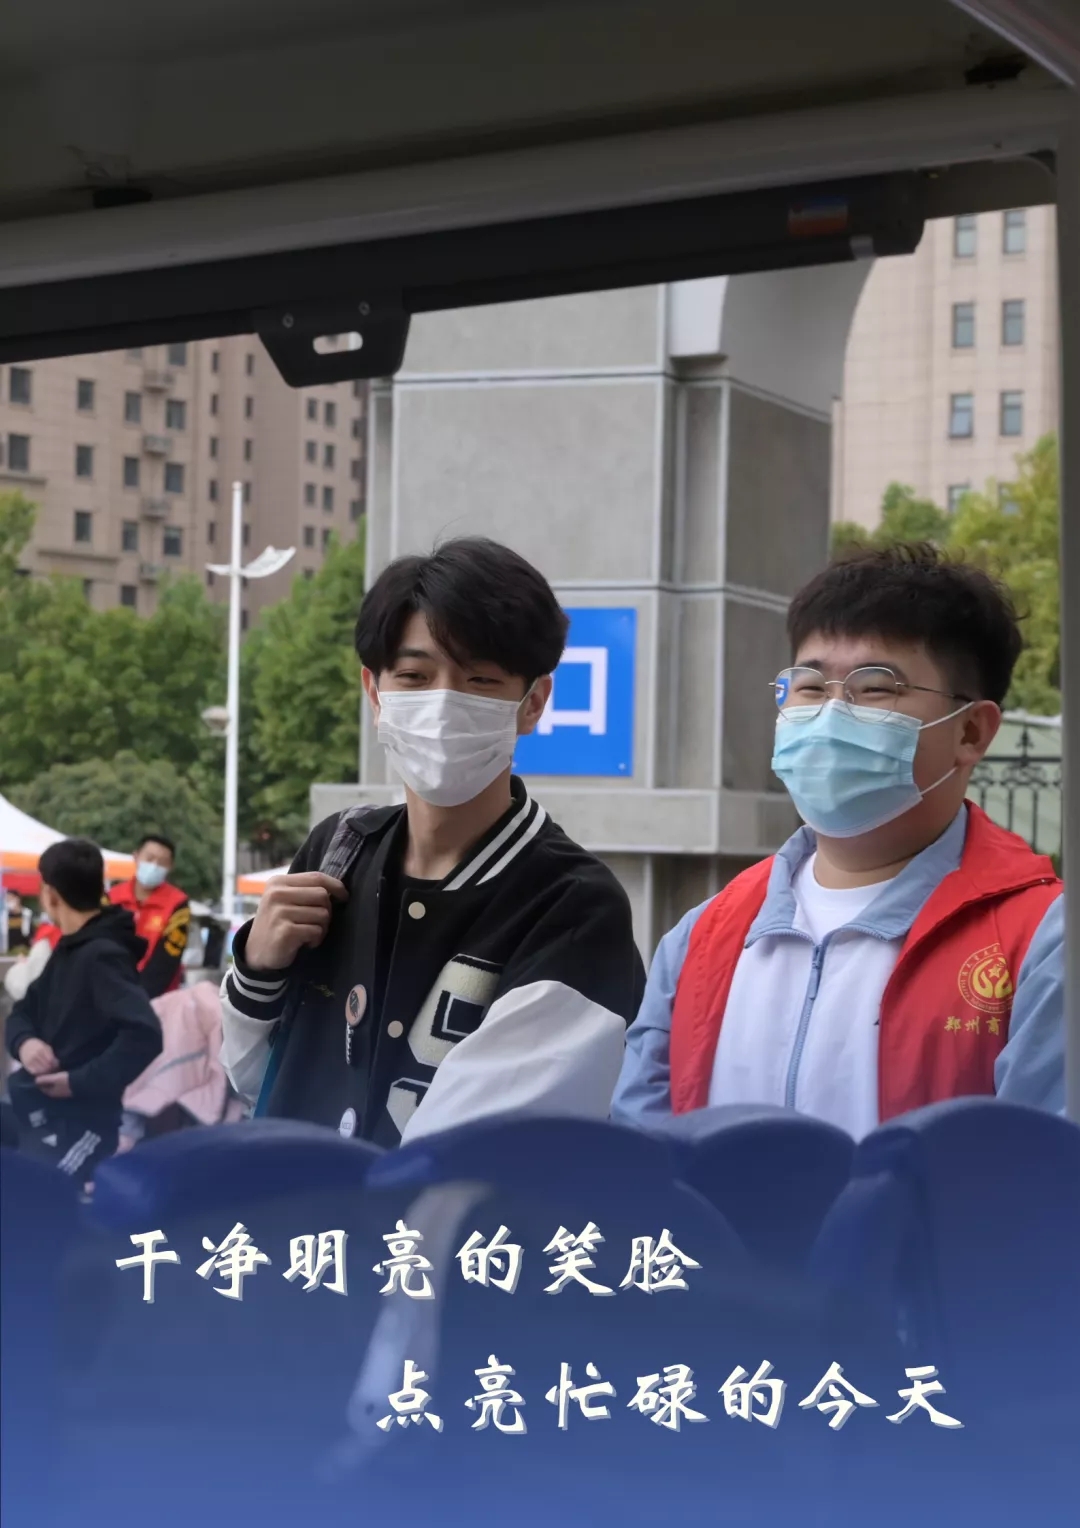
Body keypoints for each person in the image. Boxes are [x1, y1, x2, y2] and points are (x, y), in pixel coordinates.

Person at [612, 544, 1063, 1139]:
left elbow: (1043, 1174)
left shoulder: (1042, 942)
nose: (830, 714)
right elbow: (640, 1155)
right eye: (808, 686)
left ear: (971, 731)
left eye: (875, 688)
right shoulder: (705, 934)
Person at [220, 536, 645, 1145]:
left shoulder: (573, 907)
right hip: (290, 1203)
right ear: (375, 693)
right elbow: (255, 1079)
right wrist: (258, 968)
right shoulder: (337, 852)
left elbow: (483, 1148)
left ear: (533, 702)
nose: (443, 702)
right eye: (415, 676)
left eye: (480, 679)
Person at [5, 838, 163, 1179]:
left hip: (80, 1126)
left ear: (50, 894)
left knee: (34, 1192)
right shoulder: (69, 950)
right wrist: (25, 1043)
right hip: (34, 1109)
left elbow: (146, 1034)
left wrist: (77, 1082)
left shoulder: (102, 955)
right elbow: (21, 1013)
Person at [109, 834, 190, 998]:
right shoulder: (112, 898)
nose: (154, 865)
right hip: (111, 988)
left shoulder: (178, 904)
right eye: (149, 858)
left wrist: (138, 997)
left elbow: (169, 957)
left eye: (162, 862)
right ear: (136, 856)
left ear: (170, 867)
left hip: (158, 997)